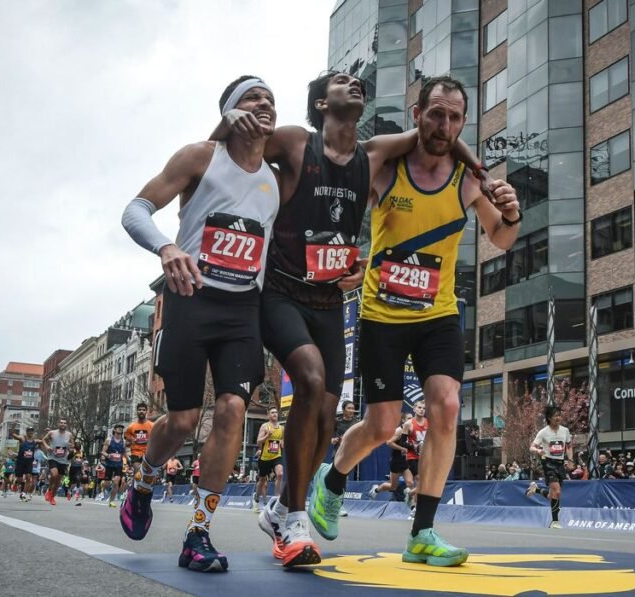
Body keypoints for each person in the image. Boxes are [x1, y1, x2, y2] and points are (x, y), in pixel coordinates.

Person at [216, 71, 481, 568]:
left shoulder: (373, 152)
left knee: (324, 413)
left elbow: (435, 133)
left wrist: (474, 162)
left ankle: (291, 504)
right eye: (341, 81)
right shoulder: (297, 141)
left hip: (329, 300)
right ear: (320, 104)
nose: (354, 83)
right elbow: (234, 153)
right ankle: (295, 520)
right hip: (279, 290)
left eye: (357, 82)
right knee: (313, 383)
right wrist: (227, 124)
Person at [306, 76, 521, 567]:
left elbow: (502, 238)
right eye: (435, 114)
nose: (444, 125)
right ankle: (332, 479)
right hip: (382, 313)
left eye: (454, 117)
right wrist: (344, 261)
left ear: (464, 122)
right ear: (417, 113)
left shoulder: (469, 181)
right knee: (382, 424)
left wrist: (511, 212)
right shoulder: (386, 167)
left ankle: (423, 532)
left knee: (446, 404)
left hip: (439, 314)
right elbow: (348, 199)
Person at [118, 75, 280, 573]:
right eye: (253, 97)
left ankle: (198, 534)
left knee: (233, 408)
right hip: (191, 298)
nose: (264, 105)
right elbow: (135, 209)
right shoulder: (200, 157)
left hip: (242, 310)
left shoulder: (276, 177)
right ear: (230, 112)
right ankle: (143, 482)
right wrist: (166, 248)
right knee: (185, 419)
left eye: (271, 99)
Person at [526, 406, 572, 529]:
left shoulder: (565, 431)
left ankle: (536, 489)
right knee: (557, 491)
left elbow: (569, 446)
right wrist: (538, 450)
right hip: (548, 463)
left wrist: (571, 460)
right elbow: (532, 447)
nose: (558, 418)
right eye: (555, 416)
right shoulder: (543, 432)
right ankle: (555, 522)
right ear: (549, 418)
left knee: (553, 495)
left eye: (559, 415)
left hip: (560, 463)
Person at [368, 412, 414, 501]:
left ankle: (413, 507)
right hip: (396, 460)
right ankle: (376, 489)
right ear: (403, 420)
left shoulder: (412, 430)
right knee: (393, 486)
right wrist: (402, 448)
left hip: (406, 461)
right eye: (408, 418)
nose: (411, 420)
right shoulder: (399, 430)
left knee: (410, 483)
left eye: (412, 418)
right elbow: (389, 442)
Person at [254, 407, 284, 514]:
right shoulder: (265, 426)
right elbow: (258, 442)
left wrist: (282, 443)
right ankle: (256, 498)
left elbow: (282, 440)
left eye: (276, 412)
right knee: (262, 481)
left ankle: (276, 500)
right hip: (265, 457)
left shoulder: (281, 428)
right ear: (268, 415)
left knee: (280, 474)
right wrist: (267, 435)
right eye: (272, 412)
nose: (275, 414)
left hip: (276, 456)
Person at [402, 400, 429, 515]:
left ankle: (410, 493)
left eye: (423, 408)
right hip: (412, 457)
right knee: (420, 481)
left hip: (426, 456)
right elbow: (402, 442)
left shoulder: (429, 423)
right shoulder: (408, 424)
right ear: (414, 409)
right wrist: (413, 446)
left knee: (425, 483)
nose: (422, 410)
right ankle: (416, 509)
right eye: (419, 407)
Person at [40, 419, 74, 506]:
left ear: (66, 425)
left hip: (63, 460)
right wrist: (47, 446)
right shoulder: (52, 433)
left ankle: (52, 497)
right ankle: (49, 489)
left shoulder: (69, 435)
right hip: (52, 457)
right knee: (54, 474)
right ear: (58, 424)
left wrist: (71, 448)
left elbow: (72, 446)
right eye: (61, 423)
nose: (63, 424)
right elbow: (43, 440)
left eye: (64, 423)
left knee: (58, 480)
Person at [125, 403, 154, 477]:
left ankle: (146, 488)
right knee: (138, 474)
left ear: (146, 412)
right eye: (139, 410)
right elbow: (126, 440)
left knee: (148, 476)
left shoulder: (152, 425)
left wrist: (151, 441)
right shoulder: (131, 427)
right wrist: (131, 441)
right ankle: (136, 487)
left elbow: (156, 439)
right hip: (136, 453)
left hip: (148, 453)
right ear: (137, 411)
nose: (141, 411)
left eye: (143, 410)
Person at [101, 424, 127, 507]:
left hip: (118, 465)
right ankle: (104, 487)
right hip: (109, 464)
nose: (120, 429)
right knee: (107, 483)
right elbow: (103, 452)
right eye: (118, 428)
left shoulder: (124, 442)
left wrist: (129, 460)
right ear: (114, 430)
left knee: (116, 483)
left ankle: (111, 501)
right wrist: (108, 455)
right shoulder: (108, 440)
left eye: (121, 428)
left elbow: (124, 453)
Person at [11, 427, 39, 501]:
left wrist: (48, 434)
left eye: (31, 431)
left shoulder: (35, 441)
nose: (30, 432)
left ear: (33, 432)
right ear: (27, 432)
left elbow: (44, 441)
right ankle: (22, 485)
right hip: (20, 462)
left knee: (28, 477)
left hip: (29, 463)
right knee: (20, 479)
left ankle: (24, 493)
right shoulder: (22, 439)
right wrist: (13, 426)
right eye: (29, 431)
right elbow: (13, 435)